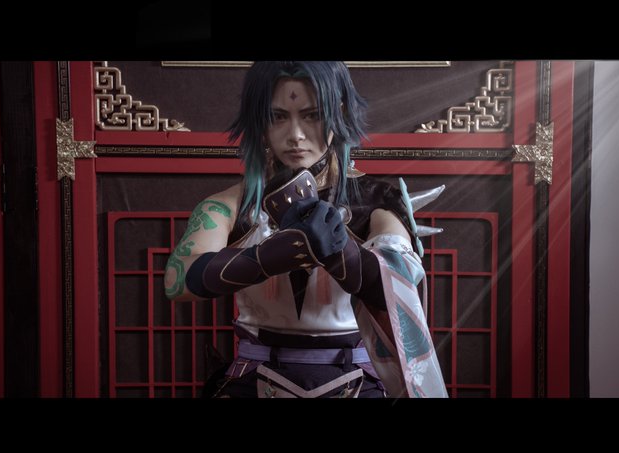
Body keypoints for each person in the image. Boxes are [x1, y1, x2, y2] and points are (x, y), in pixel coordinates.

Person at [164, 61, 447, 398]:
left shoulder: (377, 202)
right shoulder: (229, 206)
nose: (295, 135)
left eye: (313, 115)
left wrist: (342, 254)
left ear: (339, 114)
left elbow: (402, 285)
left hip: (356, 382)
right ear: (260, 122)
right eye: (278, 117)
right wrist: (263, 259)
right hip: (254, 380)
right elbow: (177, 281)